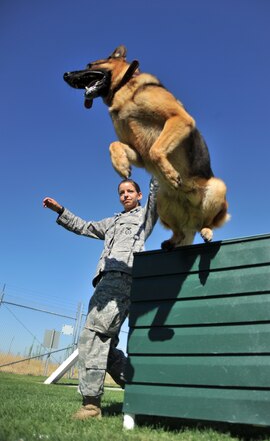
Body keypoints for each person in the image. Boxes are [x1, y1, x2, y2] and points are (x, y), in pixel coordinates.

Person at [43, 178, 158, 419]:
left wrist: (156, 161)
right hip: (104, 283)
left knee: (92, 338)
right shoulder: (112, 222)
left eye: (130, 192)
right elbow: (84, 227)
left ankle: (91, 405)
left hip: (122, 279)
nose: (125, 195)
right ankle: (146, 388)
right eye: (121, 192)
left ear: (139, 195)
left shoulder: (145, 215)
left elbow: (157, 193)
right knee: (100, 346)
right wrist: (61, 210)